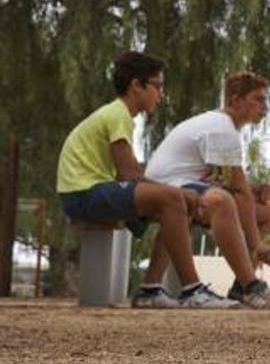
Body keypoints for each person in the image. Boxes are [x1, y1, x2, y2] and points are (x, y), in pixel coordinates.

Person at [55, 51, 238, 308]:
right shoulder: (118, 115)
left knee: (176, 204)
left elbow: (130, 173)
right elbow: (128, 175)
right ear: (136, 86)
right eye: (157, 85)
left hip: (87, 191)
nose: (161, 94)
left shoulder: (118, 115)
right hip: (82, 194)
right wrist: (178, 192)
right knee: (174, 198)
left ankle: (150, 289)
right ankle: (192, 291)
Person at [139, 71, 270, 308]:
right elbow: (238, 190)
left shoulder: (222, 126)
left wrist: (251, 189)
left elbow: (233, 184)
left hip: (174, 186)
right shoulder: (222, 129)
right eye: (258, 99)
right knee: (221, 201)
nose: (265, 107)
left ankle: (151, 289)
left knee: (268, 213)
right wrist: (257, 243)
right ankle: (250, 285)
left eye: (265, 100)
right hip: (165, 190)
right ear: (235, 100)